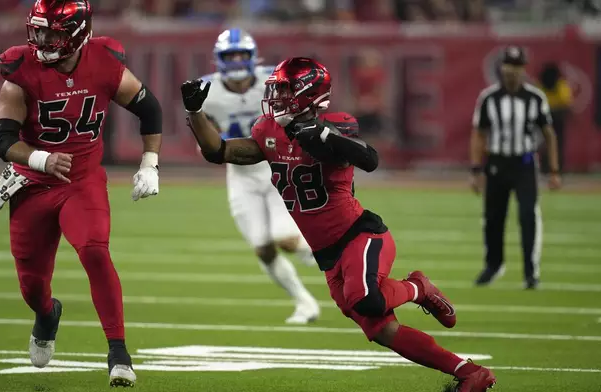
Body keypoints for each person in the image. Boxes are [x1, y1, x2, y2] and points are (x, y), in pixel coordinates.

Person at [182, 57, 496, 392]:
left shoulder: (336, 124)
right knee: (381, 331)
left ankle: (418, 287)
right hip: (328, 255)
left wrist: (326, 137)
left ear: (308, 93)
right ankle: (469, 372)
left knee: (367, 299)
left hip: (360, 235)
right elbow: (220, 152)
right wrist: (196, 113)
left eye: (285, 89)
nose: (276, 96)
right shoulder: (268, 130)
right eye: (276, 88)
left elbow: (369, 159)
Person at [0, 0, 163, 387]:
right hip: (32, 185)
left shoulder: (103, 60)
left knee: (95, 251)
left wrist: (149, 162)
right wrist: (39, 158)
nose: (43, 39)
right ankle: (47, 314)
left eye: (53, 32)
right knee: (32, 286)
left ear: (79, 34)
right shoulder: (22, 68)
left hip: (81, 182)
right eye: (39, 30)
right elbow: (1, 136)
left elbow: (149, 108)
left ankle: (119, 352)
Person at [198, 28, 319, 324]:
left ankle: (341, 261)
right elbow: (204, 137)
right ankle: (305, 302)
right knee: (263, 248)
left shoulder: (275, 83)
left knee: (286, 238)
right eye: (231, 55)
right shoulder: (206, 91)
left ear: (253, 57)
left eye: (242, 55)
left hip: (276, 167)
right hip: (239, 174)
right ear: (219, 59)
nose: (237, 61)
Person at [470, 46, 561, 289]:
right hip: (497, 163)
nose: (511, 70)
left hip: (524, 164)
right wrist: (476, 170)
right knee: (493, 218)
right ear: (501, 67)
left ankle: (531, 272)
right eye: (508, 65)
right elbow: (479, 134)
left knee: (528, 216)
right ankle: (493, 265)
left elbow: (548, 133)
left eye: (517, 66)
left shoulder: (535, 97)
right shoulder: (489, 98)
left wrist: (553, 170)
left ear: (523, 68)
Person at [538, 62, 572, 174]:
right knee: (544, 145)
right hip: (543, 119)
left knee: (557, 143)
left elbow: (566, 104)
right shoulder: (540, 86)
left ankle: (557, 169)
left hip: (557, 119)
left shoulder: (561, 85)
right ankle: (545, 168)